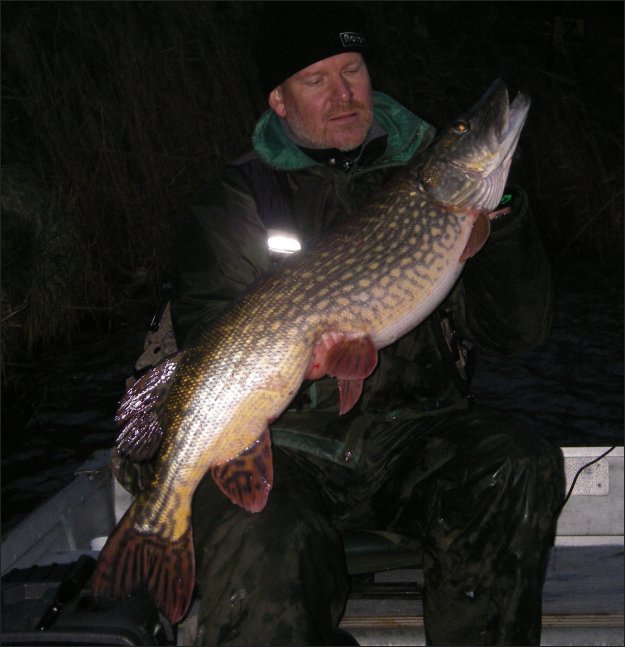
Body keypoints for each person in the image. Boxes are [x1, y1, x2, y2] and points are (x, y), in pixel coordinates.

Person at [130, 3, 566, 645]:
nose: (344, 93)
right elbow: (210, 341)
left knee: (518, 461)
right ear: (278, 101)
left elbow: (516, 334)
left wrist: (503, 226)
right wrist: (303, 370)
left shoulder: (431, 187)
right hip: (289, 446)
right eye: (317, 79)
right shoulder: (232, 202)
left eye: (353, 69)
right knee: (263, 537)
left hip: (414, 436)